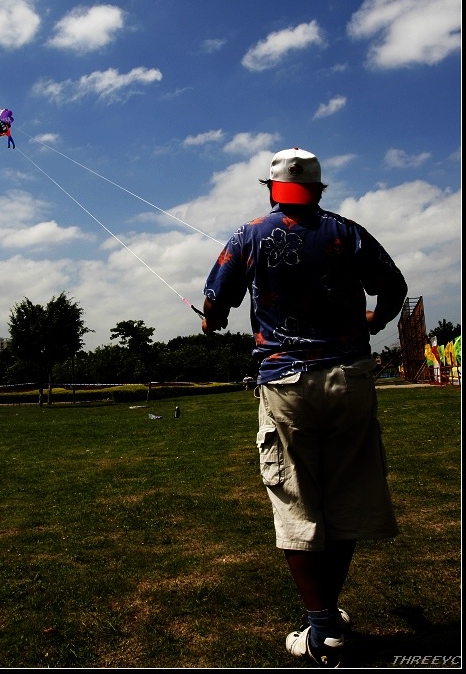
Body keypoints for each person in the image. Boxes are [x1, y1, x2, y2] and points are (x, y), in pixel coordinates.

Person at [201, 147, 408, 668]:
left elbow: (215, 300)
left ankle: (320, 627)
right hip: (350, 378)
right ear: (317, 190)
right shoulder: (347, 231)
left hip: (285, 384)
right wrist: (374, 322)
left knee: (296, 503)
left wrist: (211, 320)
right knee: (344, 501)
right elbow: (395, 287)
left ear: (271, 188)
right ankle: (329, 622)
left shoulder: (248, 234)